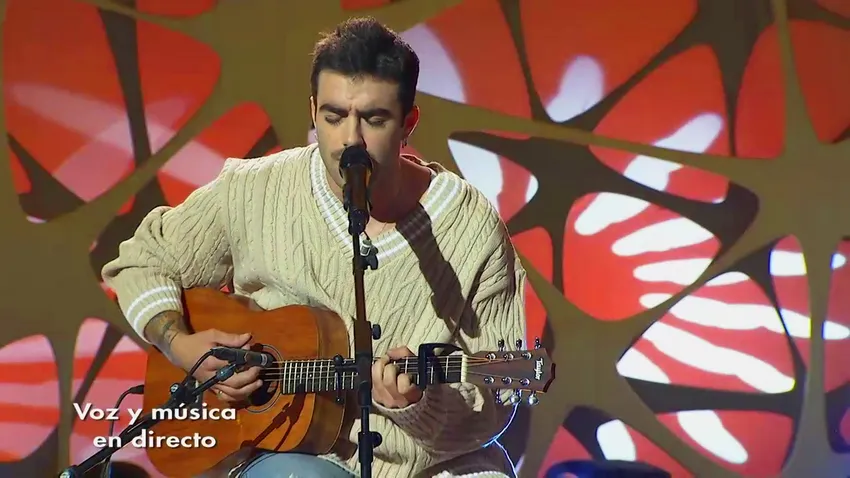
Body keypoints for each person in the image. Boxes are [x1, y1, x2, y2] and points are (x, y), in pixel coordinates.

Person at [101, 16, 527, 478]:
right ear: (312, 111)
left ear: (408, 123)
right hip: (285, 457)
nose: (350, 140)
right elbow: (142, 260)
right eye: (334, 116)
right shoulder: (255, 188)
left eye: (374, 119)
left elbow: (493, 405)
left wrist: (415, 405)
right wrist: (180, 346)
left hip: (434, 466)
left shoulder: (471, 226)